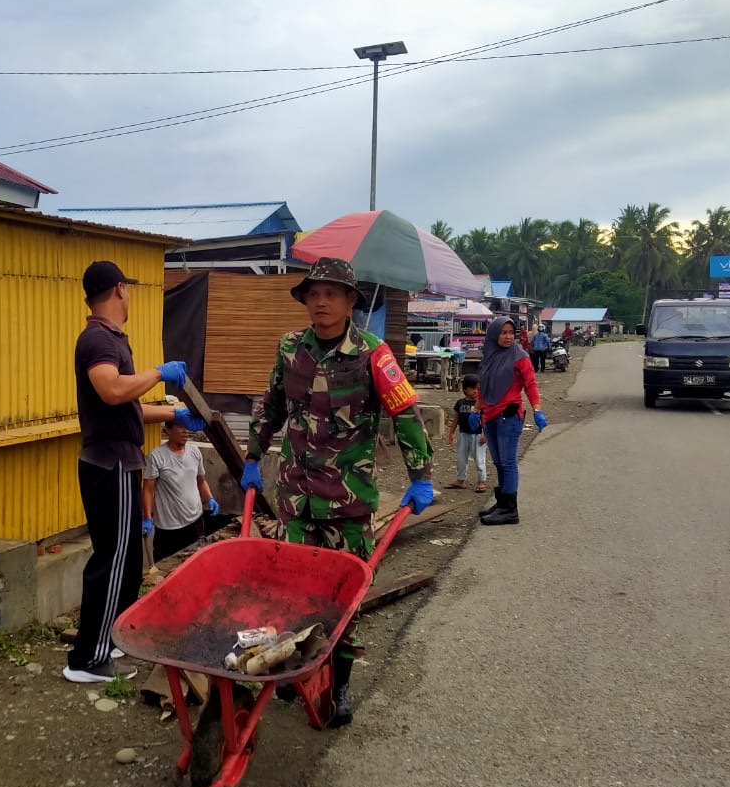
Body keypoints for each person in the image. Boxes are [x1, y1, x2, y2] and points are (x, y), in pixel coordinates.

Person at [242, 257, 435, 727]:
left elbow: (405, 414)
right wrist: (252, 456)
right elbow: (272, 405)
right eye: (313, 293)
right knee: (291, 592)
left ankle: (341, 682)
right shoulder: (290, 349)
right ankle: (291, 668)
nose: (320, 301)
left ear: (351, 301)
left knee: (344, 598)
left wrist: (421, 474)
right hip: (295, 498)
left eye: (332, 293)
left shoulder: (375, 355)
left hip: (346, 503)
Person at [65, 260, 206, 684]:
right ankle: (88, 659)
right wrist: (159, 372)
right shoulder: (98, 340)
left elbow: (128, 405)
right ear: (120, 290)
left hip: (119, 462)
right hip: (110, 465)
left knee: (125, 562)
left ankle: (109, 642)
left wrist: (174, 413)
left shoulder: (111, 340)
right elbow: (112, 391)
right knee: (113, 560)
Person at [469, 317, 547, 527]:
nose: (508, 336)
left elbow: (530, 384)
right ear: (495, 334)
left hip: (509, 416)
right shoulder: (489, 356)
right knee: (498, 462)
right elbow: (483, 386)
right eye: (503, 332)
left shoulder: (520, 357)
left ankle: (510, 510)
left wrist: (537, 410)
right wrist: (476, 409)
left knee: (509, 462)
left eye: (511, 332)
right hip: (490, 415)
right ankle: (502, 503)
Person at [142, 421, 219, 562]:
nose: (186, 431)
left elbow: (201, 480)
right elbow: (148, 489)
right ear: (168, 430)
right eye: (180, 426)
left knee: (196, 564)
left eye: (187, 426)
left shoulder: (194, 452)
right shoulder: (157, 456)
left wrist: (210, 498)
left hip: (195, 522)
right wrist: (147, 517)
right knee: (167, 568)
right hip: (168, 527)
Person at [445, 374, 487, 493]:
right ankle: (460, 479)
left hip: (477, 435)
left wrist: (486, 434)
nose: (475, 391)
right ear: (465, 389)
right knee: (461, 458)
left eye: (477, 389)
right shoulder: (460, 403)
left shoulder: (480, 404)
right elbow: (456, 419)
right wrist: (451, 433)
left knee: (479, 459)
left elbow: (484, 420)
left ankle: (481, 481)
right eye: (472, 388)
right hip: (463, 434)